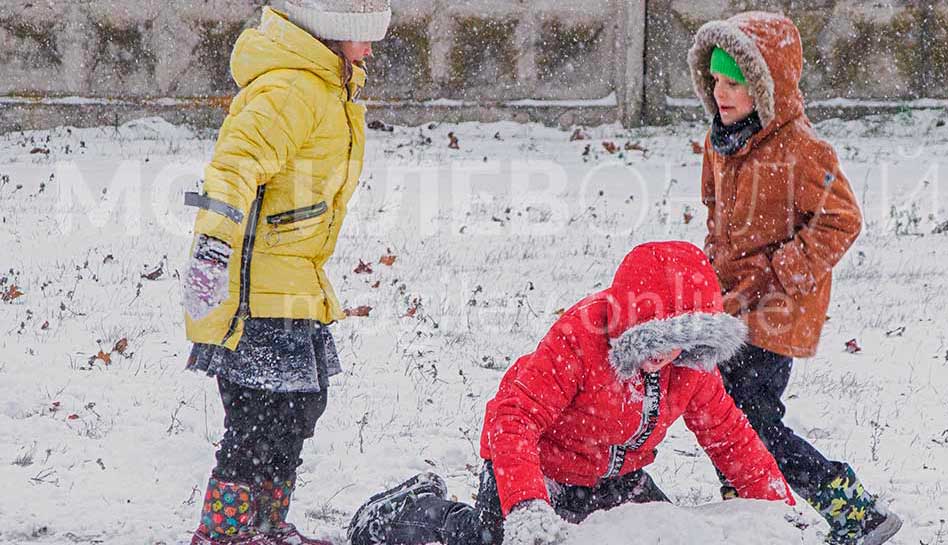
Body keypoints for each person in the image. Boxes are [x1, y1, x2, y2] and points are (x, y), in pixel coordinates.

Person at [346, 241, 795, 545]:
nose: (664, 354)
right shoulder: (580, 339)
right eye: (652, 339)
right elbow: (514, 419)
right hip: (540, 465)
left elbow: (731, 437)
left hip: (614, 476)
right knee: (488, 539)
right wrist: (527, 506)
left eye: (677, 339)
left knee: (661, 533)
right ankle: (409, 511)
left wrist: (781, 514)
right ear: (629, 324)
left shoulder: (691, 369)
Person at [180, 1, 391, 543]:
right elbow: (233, 167)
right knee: (258, 419)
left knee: (298, 410)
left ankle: (267, 524)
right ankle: (225, 532)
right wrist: (211, 250)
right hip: (260, 293)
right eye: (363, 37)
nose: (370, 50)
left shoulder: (325, 88)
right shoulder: (289, 90)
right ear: (332, 31)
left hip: (298, 285)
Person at [687, 11, 901, 545]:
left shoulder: (802, 150)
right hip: (730, 302)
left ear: (767, 85)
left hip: (778, 310)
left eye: (735, 82)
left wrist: (783, 269)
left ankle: (853, 509)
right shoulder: (721, 141)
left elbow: (842, 219)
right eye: (715, 81)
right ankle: (748, 513)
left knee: (754, 422)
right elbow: (714, 207)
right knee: (725, 417)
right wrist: (712, 262)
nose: (722, 93)